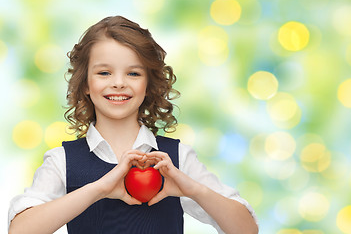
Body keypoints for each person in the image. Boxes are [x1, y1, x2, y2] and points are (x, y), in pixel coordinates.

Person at [8, 16, 258, 234]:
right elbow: (19, 230)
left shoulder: (177, 159)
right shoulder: (62, 161)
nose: (118, 83)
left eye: (133, 73)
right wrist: (99, 189)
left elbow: (246, 229)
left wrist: (193, 189)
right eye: (104, 73)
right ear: (85, 83)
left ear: (148, 84)